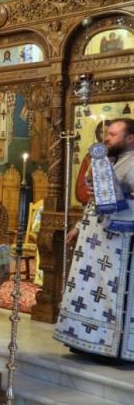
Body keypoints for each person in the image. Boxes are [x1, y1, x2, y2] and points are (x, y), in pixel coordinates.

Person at [55, 119, 134, 361]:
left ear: (130, 138)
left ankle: (110, 347)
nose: (106, 138)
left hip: (118, 247)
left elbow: (120, 201)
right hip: (94, 244)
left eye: (113, 134)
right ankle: (86, 341)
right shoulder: (111, 160)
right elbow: (95, 201)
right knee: (89, 293)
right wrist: (79, 226)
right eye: (107, 133)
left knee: (109, 297)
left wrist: (116, 197)